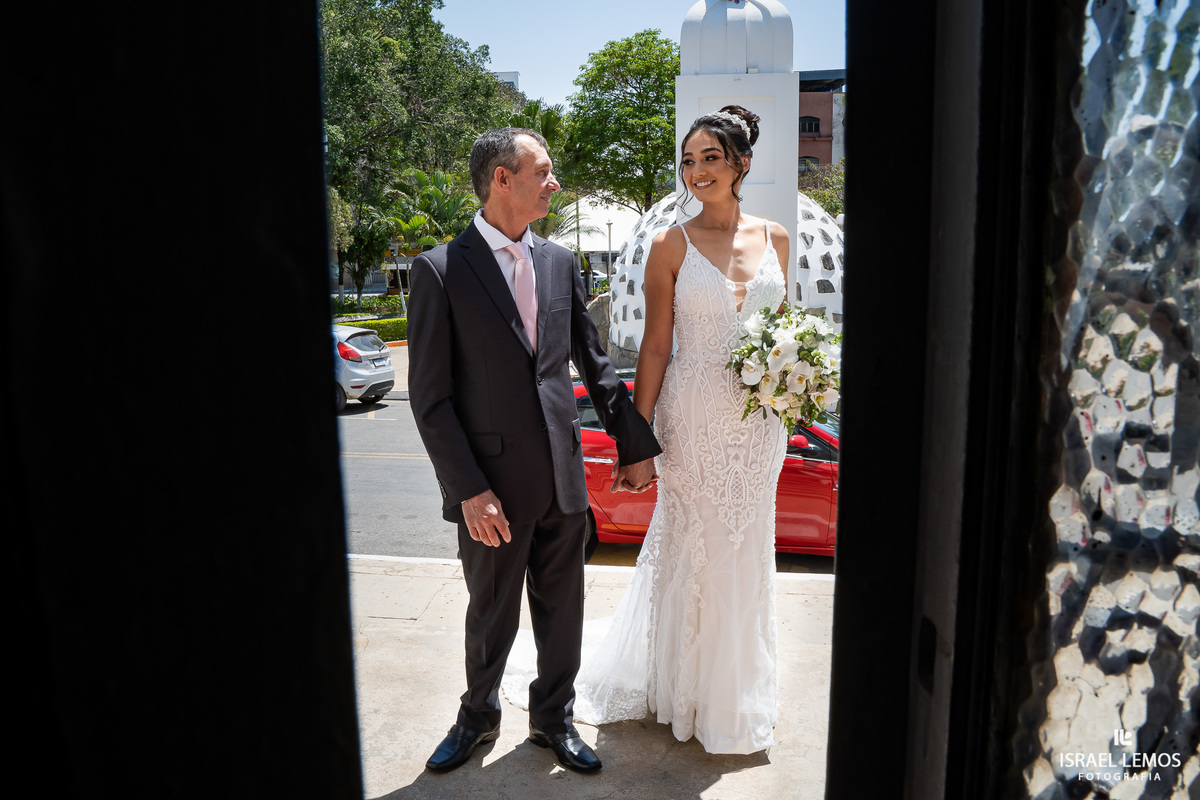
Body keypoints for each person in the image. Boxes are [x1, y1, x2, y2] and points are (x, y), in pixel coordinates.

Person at [505, 105, 790, 755]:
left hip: (760, 426)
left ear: (742, 162)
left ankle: (734, 691)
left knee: (746, 556)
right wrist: (637, 441)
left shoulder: (777, 236)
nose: (697, 172)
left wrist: (793, 385)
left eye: (711, 158)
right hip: (690, 419)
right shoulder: (671, 244)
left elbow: (785, 334)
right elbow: (655, 348)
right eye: (688, 161)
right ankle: (687, 695)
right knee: (703, 550)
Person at [407, 127, 661, 774]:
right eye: (543, 172)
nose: (554, 183)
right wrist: (468, 488)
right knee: (491, 619)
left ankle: (553, 719)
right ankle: (477, 717)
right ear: (502, 178)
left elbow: (594, 364)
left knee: (564, 613)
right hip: (490, 492)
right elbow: (430, 400)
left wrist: (633, 444)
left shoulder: (560, 262)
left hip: (564, 480)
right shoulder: (439, 270)